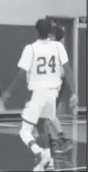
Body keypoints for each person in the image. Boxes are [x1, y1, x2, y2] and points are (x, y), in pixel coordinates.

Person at [1, 19, 77, 171]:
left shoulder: (31, 48)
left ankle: (39, 152)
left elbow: (21, 74)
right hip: (53, 94)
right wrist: (74, 93)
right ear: (50, 31)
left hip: (37, 93)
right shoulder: (58, 46)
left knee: (24, 131)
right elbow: (68, 70)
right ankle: (49, 160)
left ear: (36, 31)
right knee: (43, 126)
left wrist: (7, 94)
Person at [48, 24, 73, 153]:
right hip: (52, 84)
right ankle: (52, 140)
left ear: (53, 36)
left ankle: (62, 140)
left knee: (49, 113)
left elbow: (65, 71)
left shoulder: (58, 48)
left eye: (50, 34)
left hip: (55, 84)